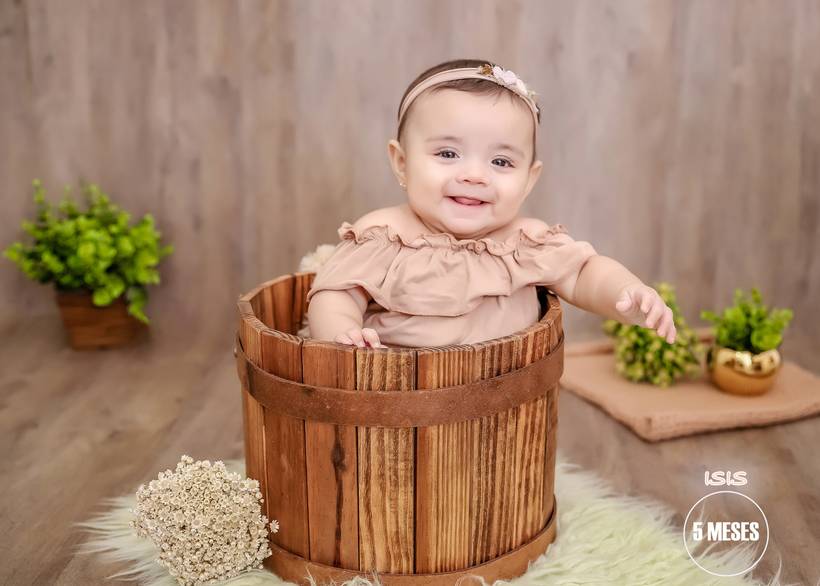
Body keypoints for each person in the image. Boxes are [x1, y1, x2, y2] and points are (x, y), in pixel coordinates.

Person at [306, 59, 677, 349]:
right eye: (448, 153)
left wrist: (626, 294)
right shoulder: (384, 235)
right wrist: (342, 334)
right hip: (393, 396)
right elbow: (335, 294)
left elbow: (583, 275)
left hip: (501, 402)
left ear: (529, 180)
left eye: (500, 162)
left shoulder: (527, 242)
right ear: (402, 163)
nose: (474, 175)